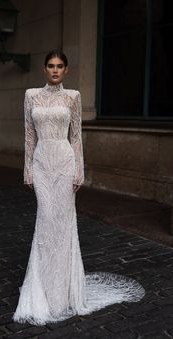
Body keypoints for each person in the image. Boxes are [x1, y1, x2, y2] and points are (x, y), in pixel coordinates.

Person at [12, 51, 145, 325]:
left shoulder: (72, 96)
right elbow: (28, 135)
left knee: (62, 224)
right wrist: (27, 170)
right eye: (50, 66)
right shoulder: (31, 95)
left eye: (60, 66)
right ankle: (43, 289)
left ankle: (62, 293)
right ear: (44, 68)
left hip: (64, 163)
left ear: (67, 70)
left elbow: (76, 137)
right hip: (41, 164)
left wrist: (80, 170)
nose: (55, 70)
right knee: (46, 220)